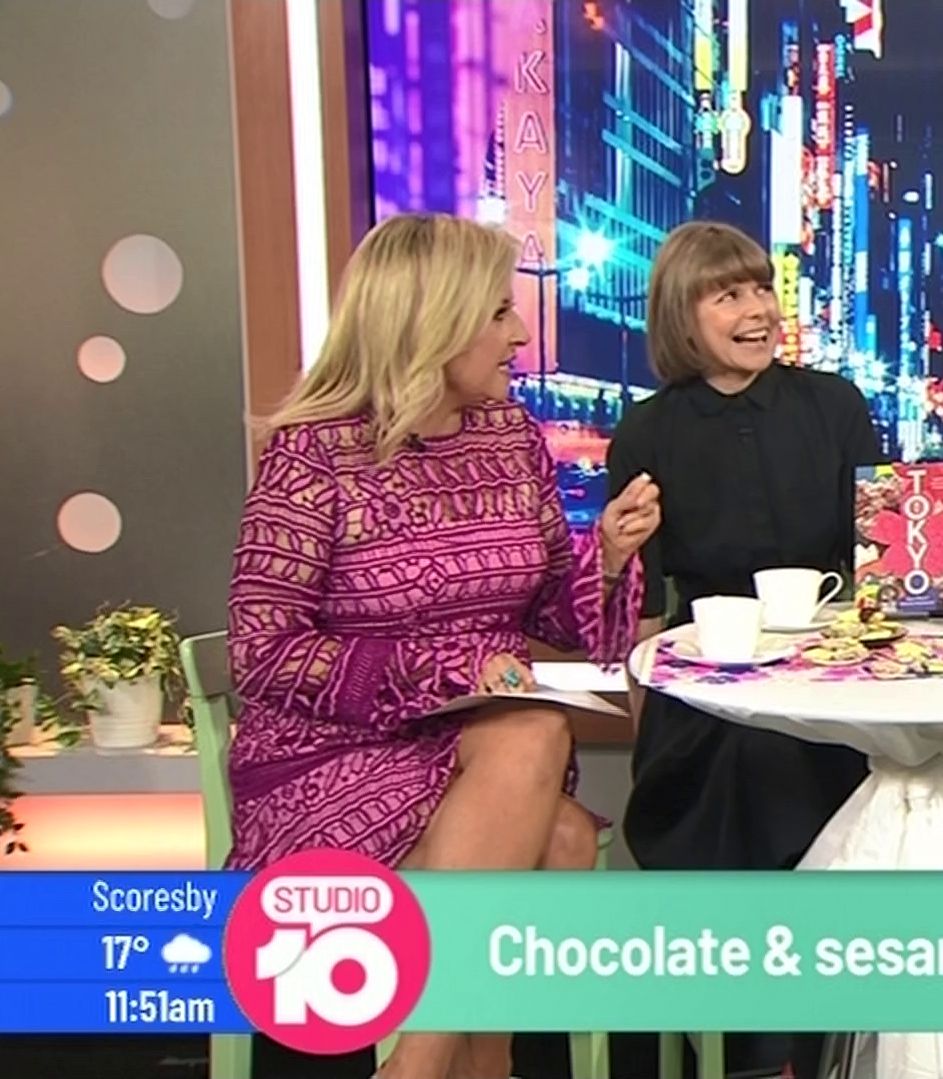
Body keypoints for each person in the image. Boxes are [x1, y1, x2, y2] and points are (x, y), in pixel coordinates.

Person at [226, 212, 660, 1079]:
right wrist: (439, 671)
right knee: (552, 820)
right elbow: (262, 650)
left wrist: (606, 558)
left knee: (539, 777)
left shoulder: (510, 437)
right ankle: (436, 1063)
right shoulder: (312, 455)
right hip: (334, 752)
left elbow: (552, 614)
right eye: (498, 312)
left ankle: (426, 1063)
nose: (520, 334)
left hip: (483, 747)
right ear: (432, 320)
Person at [606, 220, 881, 1077]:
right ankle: (760, 1047)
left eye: (761, 289)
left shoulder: (833, 405)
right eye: (728, 295)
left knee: (785, 758)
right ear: (680, 316)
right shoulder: (645, 432)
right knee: (741, 758)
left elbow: (878, 564)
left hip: (832, 682)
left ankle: (781, 1047)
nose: (757, 309)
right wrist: (614, 558)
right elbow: (641, 612)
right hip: (704, 688)